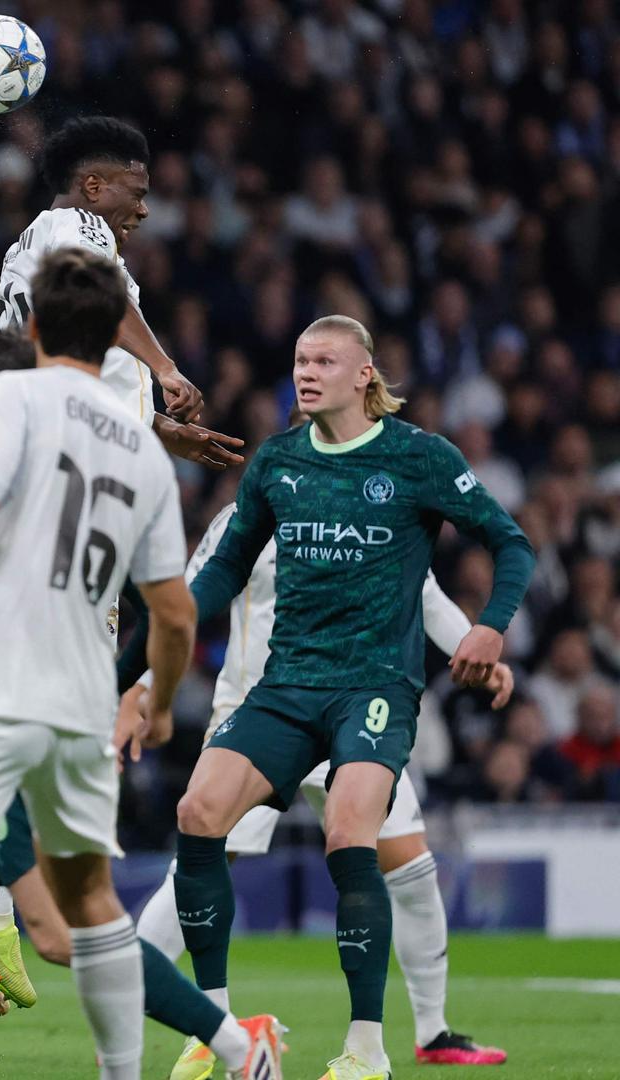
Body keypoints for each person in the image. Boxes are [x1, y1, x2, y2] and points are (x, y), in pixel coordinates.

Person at [0, 249, 281, 1080]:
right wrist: (157, 700)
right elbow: (174, 611)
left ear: (31, 323)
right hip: (84, 700)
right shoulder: (143, 448)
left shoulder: (12, 394)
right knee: (90, 910)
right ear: (116, 338)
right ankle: (230, 1052)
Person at [116, 314, 535, 1080]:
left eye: (323, 362)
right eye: (300, 361)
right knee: (198, 822)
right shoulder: (275, 472)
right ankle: (208, 1025)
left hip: (370, 693)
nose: (305, 373)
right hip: (274, 695)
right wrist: (137, 674)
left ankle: (398, 1041)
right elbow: (205, 587)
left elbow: (463, 570)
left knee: (383, 852)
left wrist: (483, 635)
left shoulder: (414, 461)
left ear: (364, 375)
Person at [128, 497, 515, 1075]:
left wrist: (474, 650)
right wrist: (143, 686)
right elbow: (184, 602)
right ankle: (165, 1002)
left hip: (351, 710)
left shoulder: (376, 507)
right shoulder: (247, 513)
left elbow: (426, 594)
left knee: (410, 866)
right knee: (202, 857)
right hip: (260, 717)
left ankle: (431, 1031)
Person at [0, 116, 243, 470]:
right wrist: (166, 368)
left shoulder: (25, 248)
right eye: (137, 194)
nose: (143, 210)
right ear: (93, 186)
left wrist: (153, 424)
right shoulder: (80, 223)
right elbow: (96, 293)